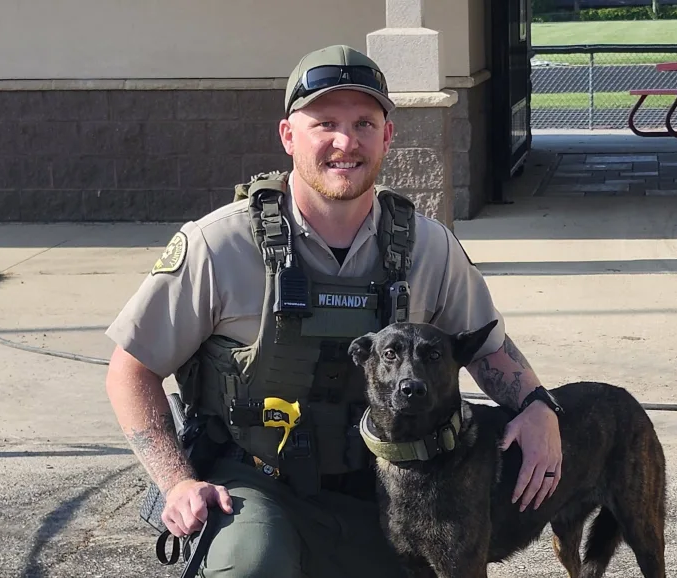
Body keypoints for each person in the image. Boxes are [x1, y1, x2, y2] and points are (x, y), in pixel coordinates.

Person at [103, 44, 562, 578]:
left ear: (387, 136)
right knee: (249, 568)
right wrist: (176, 481)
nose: (346, 142)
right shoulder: (218, 245)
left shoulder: (427, 246)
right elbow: (130, 370)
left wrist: (537, 405)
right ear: (288, 135)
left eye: (364, 123)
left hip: (386, 488)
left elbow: (485, 348)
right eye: (325, 123)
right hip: (258, 486)